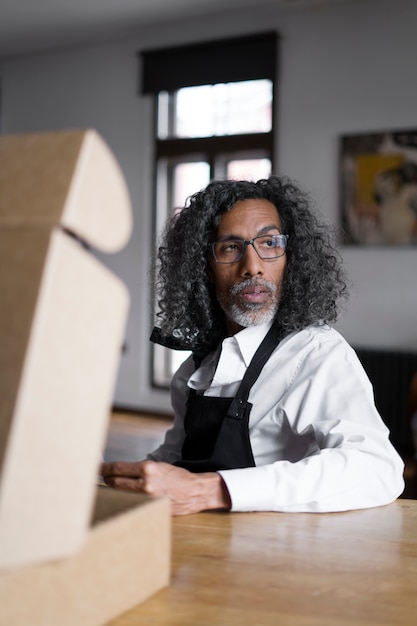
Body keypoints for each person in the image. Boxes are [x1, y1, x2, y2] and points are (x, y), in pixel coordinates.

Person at [101, 175, 404, 515]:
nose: (253, 267)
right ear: (204, 267)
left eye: (270, 243)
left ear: (292, 258)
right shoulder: (195, 369)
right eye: (231, 248)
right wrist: (115, 477)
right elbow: (177, 458)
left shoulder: (316, 354)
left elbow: (377, 469)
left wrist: (213, 490)